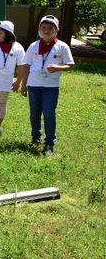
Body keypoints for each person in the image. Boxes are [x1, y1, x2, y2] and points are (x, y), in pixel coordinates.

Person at [19, 15, 74, 156]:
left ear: (57, 30)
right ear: (39, 29)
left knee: (49, 114)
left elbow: (71, 65)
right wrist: (24, 85)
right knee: (34, 114)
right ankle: (35, 138)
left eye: (50, 28)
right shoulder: (34, 46)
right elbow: (26, 65)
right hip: (34, 85)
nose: (46, 30)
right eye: (43, 27)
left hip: (51, 87)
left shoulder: (62, 46)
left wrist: (57, 67)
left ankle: (49, 142)